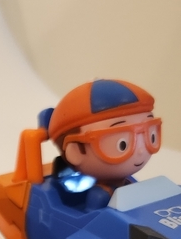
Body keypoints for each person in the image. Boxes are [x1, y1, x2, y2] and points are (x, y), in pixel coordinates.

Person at [42, 79, 161, 209]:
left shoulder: (130, 183)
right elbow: (95, 220)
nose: (141, 150)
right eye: (122, 144)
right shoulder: (100, 195)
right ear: (75, 151)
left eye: (151, 136)